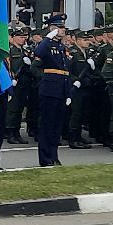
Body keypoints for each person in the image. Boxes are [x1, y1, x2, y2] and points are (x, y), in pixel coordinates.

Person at [33, 12, 71, 167]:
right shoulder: (47, 45)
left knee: (56, 127)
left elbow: (66, 72)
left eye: (63, 28)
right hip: (50, 89)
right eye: (60, 28)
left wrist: (68, 92)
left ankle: (54, 156)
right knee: (47, 126)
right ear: (52, 28)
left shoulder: (61, 47)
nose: (63, 30)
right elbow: (39, 54)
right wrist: (48, 37)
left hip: (61, 90)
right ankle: (45, 158)